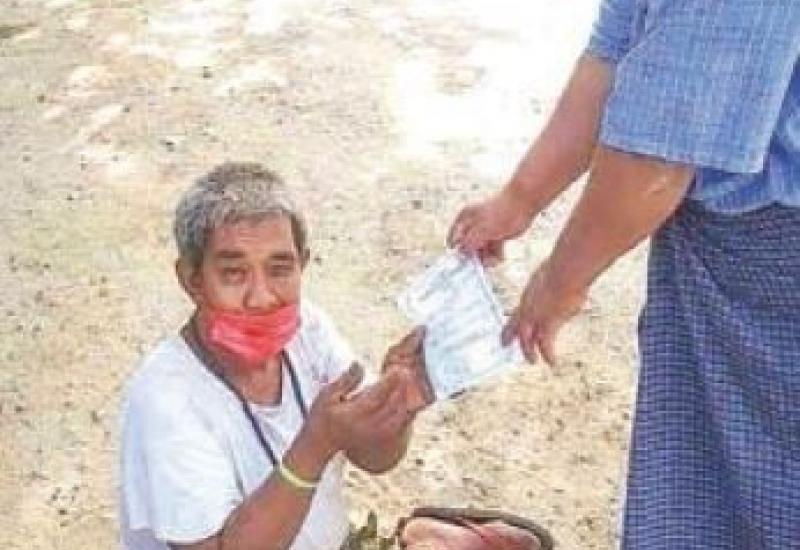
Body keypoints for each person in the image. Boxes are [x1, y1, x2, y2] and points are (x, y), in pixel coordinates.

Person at [449, 1, 800, 549]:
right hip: (730, 250)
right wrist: (520, 198)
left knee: (761, 487)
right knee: (708, 472)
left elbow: (658, 161)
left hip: (773, 271)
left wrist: (559, 283)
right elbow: (620, 43)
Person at [119, 162, 432, 550]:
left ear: (303, 264)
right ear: (192, 280)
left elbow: (375, 459)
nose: (261, 298)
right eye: (234, 273)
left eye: (279, 270)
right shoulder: (167, 400)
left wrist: (397, 408)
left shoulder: (308, 330)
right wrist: (315, 445)